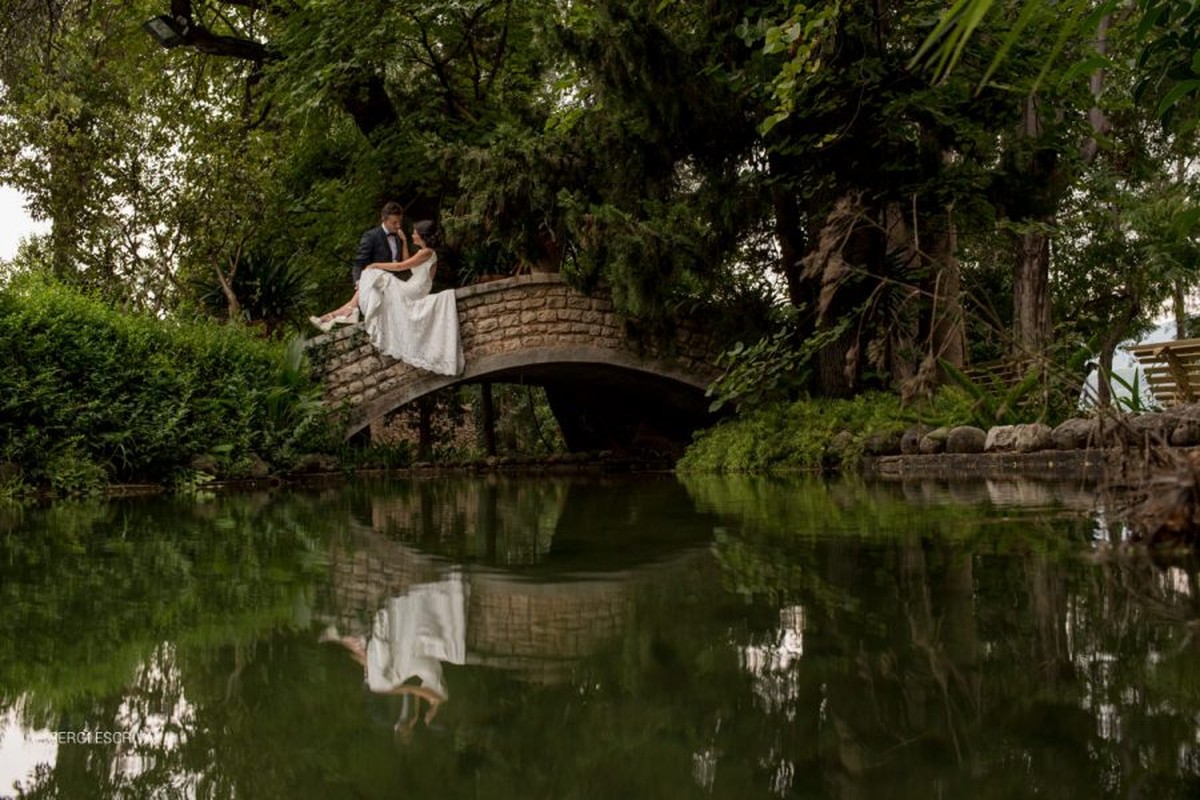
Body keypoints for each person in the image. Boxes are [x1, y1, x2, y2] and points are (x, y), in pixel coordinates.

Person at [320, 572, 467, 740]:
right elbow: (413, 689)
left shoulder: (433, 702)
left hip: (421, 667)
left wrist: (409, 712)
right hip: (425, 665)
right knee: (381, 683)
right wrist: (391, 691)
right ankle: (374, 633)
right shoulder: (440, 699)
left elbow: (416, 694)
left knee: (381, 678)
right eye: (428, 721)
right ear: (435, 717)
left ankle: (361, 645)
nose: (425, 720)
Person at [312, 220, 464, 377]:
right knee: (373, 282)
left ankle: (349, 310)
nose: (412, 235)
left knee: (373, 274)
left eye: (414, 233)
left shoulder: (426, 253)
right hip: (414, 288)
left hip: (414, 290)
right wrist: (404, 242)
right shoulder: (424, 253)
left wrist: (376, 264)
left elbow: (401, 266)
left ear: (421, 235)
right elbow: (409, 265)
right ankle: (349, 309)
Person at [309, 201, 407, 329]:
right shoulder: (371, 236)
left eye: (400, 222)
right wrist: (358, 281)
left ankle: (342, 312)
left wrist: (404, 241)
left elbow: (404, 264)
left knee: (372, 274)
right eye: (394, 222)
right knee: (371, 274)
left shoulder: (399, 236)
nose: (398, 226)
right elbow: (359, 262)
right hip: (377, 283)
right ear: (383, 219)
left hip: (392, 282)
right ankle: (345, 311)